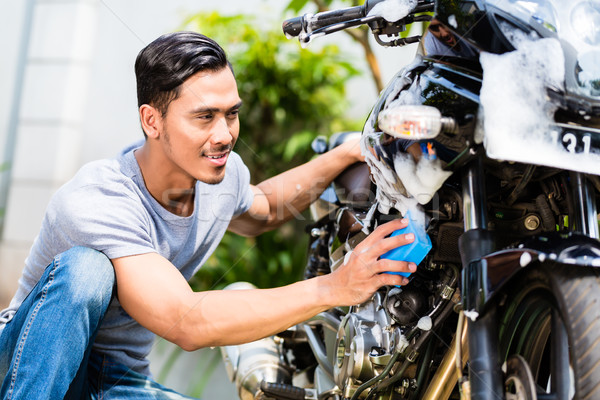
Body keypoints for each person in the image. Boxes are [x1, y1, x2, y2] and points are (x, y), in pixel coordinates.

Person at [0, 31, 416, 399]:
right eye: (204, 117)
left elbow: (266, 208)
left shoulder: (218, 174)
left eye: (230, 114)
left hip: (115, 381)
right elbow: (186, 322)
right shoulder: (99, 198)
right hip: (25, 366)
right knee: (87, 269)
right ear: (152, 120)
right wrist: (336, 287)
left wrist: (344, 153)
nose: (224, 135)